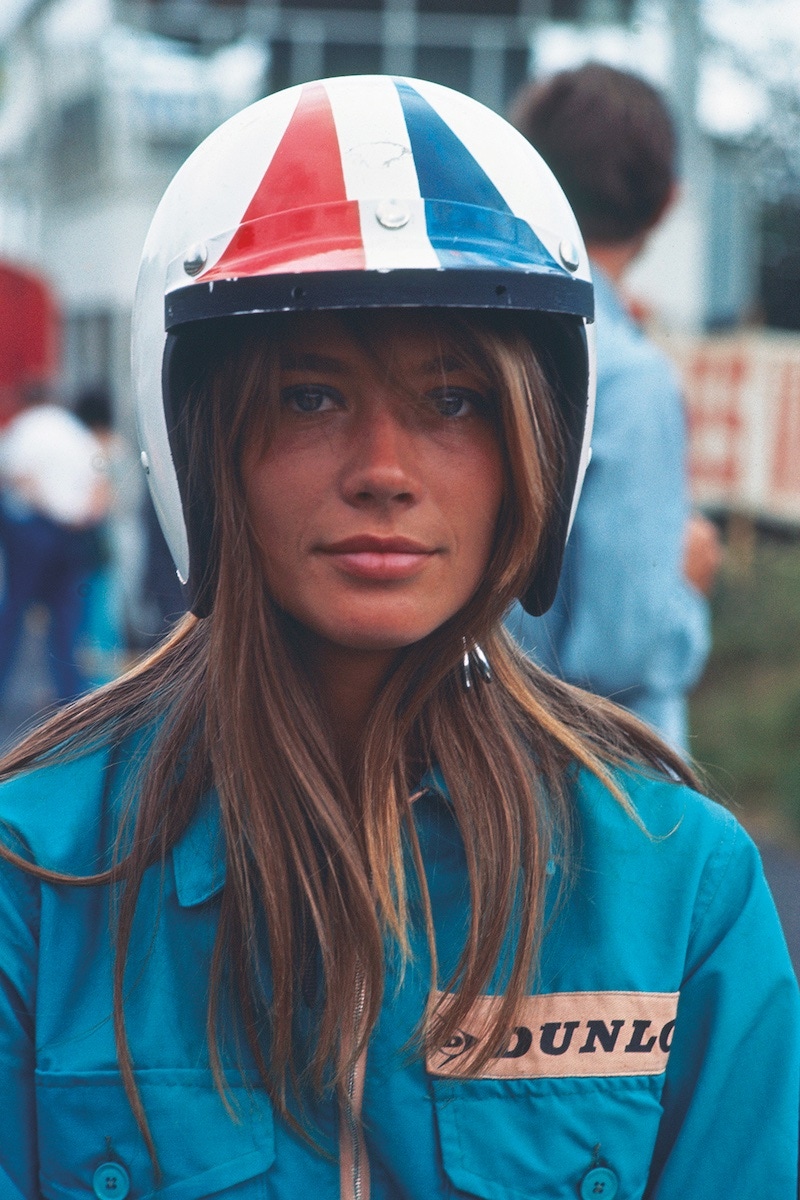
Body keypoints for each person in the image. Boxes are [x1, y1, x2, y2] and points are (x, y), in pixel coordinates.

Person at [0, 76, 796, 1200]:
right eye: (311, 396)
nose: (384, 470)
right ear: (200, 440)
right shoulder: (33, 873)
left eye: (455, 401)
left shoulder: (678, 887)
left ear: (536, 441)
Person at [506, 63, 722, 753]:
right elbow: (619, 654)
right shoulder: (632, 381)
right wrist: (683, 591)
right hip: (605, 789)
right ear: (666, 203)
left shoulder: (489, 342)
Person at [0, 386, 110, 705]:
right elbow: (100, 483)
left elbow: (18, 478)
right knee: (66, 616)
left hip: (34, 527)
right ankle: (71, 698)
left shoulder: (24, 428)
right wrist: (79, 516)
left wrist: (51, 509)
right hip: (73, 533)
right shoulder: (75, 432)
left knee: (15, 609)